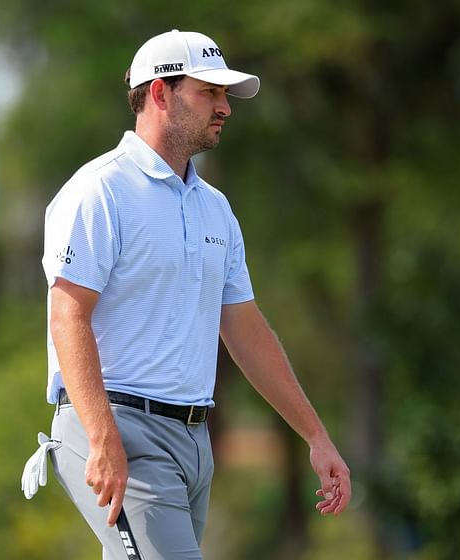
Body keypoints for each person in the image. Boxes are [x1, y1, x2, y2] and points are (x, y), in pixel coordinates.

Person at [23, 29, 351, 559]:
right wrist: (103, 437)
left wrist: (315, 435)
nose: (225, 108)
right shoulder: (99, 191)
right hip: (118, 427)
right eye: (209, 93)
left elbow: (245, 328)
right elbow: (67, 317)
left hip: (193, 444)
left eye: (225, 96)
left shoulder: (214, 207)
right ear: (160, 94)